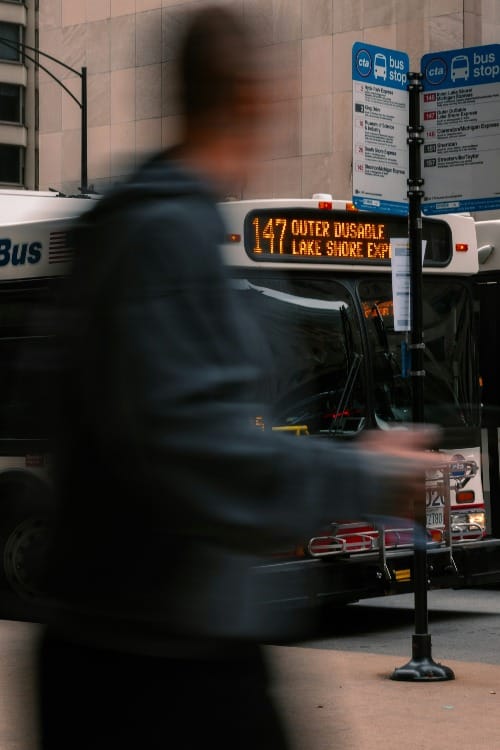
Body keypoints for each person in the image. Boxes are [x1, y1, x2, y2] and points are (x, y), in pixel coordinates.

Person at [35, 5, 439, 750]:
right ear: (250, 97)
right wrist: (361, 472)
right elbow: (199, 451)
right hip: (164, 664)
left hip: (152, 645)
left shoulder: (142, 223)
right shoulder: (169, 234)